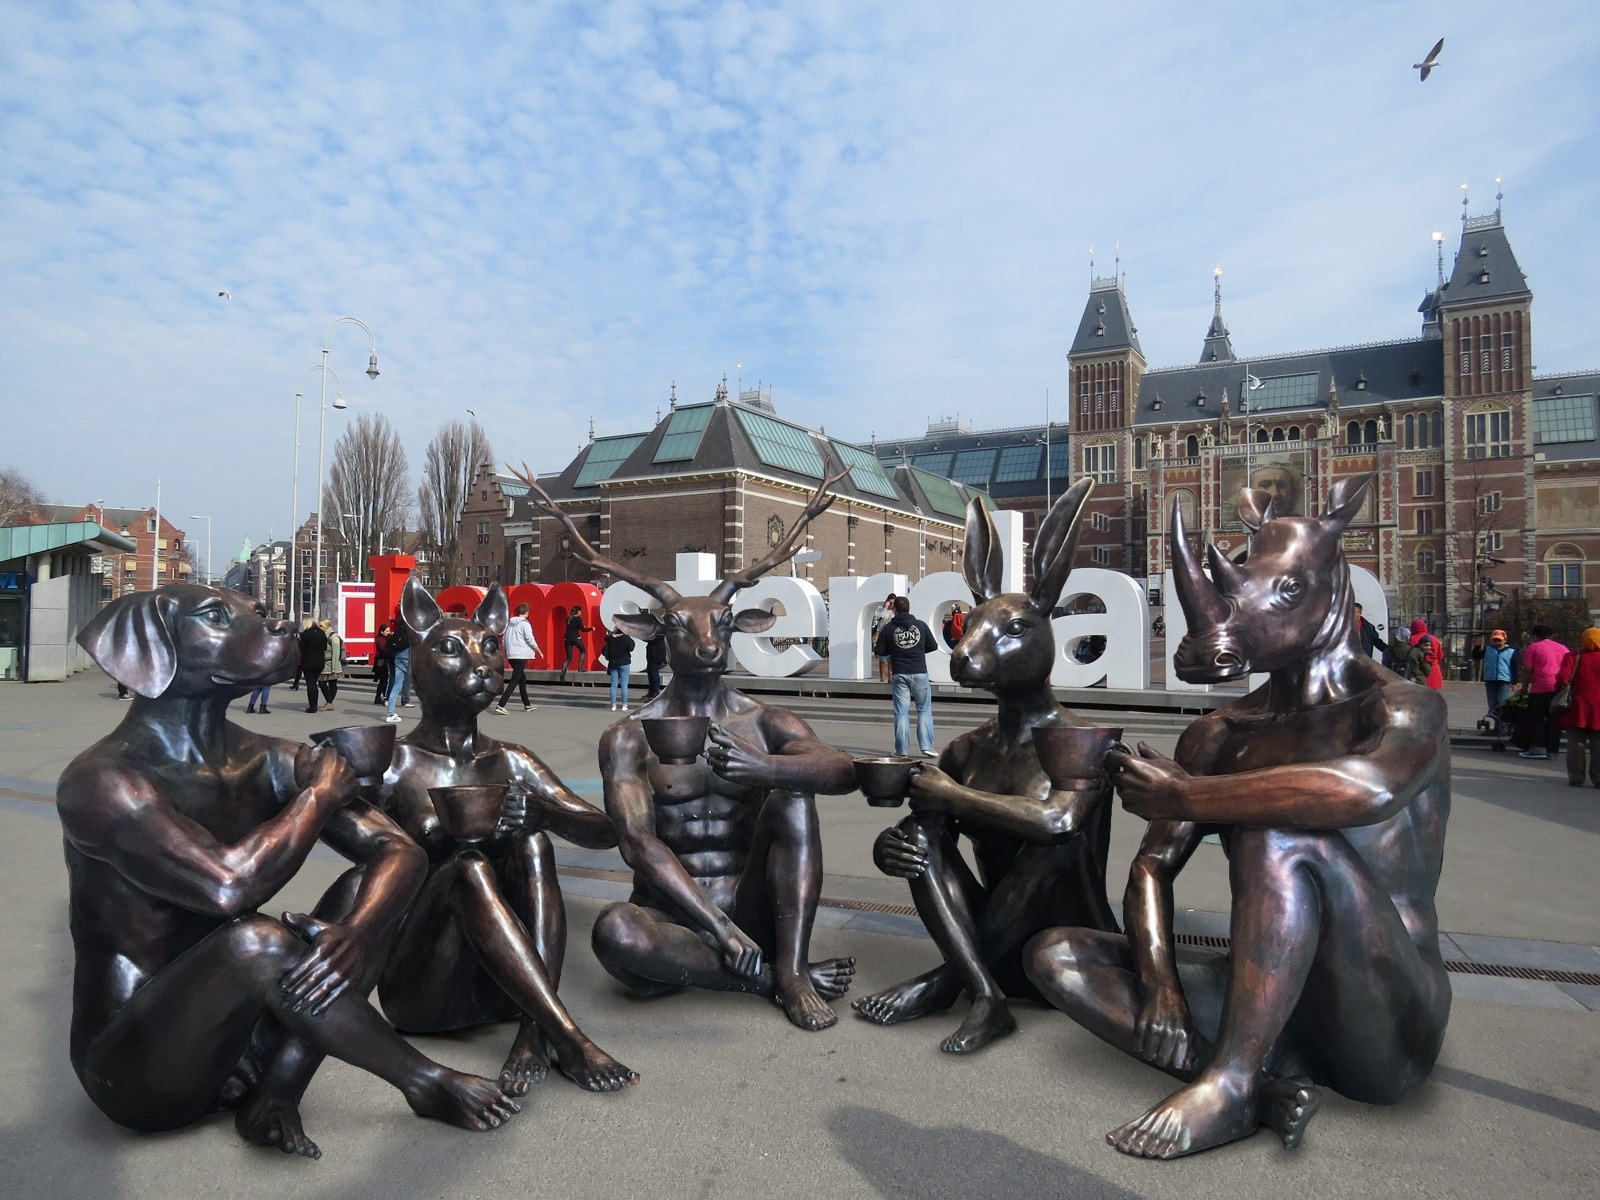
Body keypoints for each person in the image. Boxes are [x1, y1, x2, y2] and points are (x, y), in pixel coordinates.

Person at [874, 595, 937, 758]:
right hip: (920, 672)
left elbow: (879, 651)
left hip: (900, 673)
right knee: (924, 709)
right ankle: (927, 746)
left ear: (894, 609)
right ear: (909, 608)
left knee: (901, 712)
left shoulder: (888, 628)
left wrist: (895, 651)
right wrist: (917, 651)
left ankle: (901, 750)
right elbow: (933, 645)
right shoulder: (921, 626)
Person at [1517, 624, 1569, 760]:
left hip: (1540, 687)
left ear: (1535, 636)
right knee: (1554, 720)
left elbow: (1527, 669)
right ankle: (1552, 751)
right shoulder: (1563, 648)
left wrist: (1524, 687)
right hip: (1558, 688)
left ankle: (1538, 748)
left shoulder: (1534, 647)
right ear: (1550, 635)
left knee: (1536, 717)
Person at [1556, 628, 1600, 786]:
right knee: (1598, 744)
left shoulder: (1573, 656)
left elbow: (1563, 679)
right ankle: (1598, 777)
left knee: (1575, 743)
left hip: (1577, 706)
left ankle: (1576, 776)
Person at [495, 602, 541, 714]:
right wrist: (538, 650)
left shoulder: (509, 624)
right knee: (514, 681)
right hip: (521, 655)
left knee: (522, 680)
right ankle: (501, 705)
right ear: (527, 612)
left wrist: (505, 653)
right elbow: (530, 638)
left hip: (512, 655)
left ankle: (527, 705)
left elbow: (504, 640)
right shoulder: (525, 624)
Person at [1472, 629, 1517, 725]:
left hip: (1504, 680)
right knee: (1492, 704)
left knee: (1502, 703)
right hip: (1490, 680)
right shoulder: (1488, 649)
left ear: (1504, 640)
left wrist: (1514, 682)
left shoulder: (1511, 651)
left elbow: (1514, 667)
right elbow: (1476, 657)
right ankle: (1497, 723)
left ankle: (1502, 724)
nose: (1497, 642)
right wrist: (1477, 647)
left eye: (1499, 640)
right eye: (1495, 640)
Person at [383, 612, 414, 724]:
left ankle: (390, 714)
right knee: (419, 686)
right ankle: (426, 714)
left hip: (398, 658)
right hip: (408, 658)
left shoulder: (398, 631)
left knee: (396, 687)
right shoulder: (411, 631)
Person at [297, 616, 329, 714]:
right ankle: (314, 704)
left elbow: (302, 648)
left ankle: (313, 706)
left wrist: (299, 641)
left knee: (310, 684)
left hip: (308, 661)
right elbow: (325, 647)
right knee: (314, 682)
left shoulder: (306, 634)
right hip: (320, 661)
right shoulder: (321, 632)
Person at [603, 622, 635, 712]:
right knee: (624, 685)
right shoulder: (626, 638)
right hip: (624, 662)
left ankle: (613, 705)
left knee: (613, 685)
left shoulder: (610, 639)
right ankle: (624, 705)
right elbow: (631, 648)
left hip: (613, 663)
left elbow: (606, 650)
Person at [1406, 618, 1444, 690]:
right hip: (1433, 673)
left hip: (1418, 674)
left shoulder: (1411, 639)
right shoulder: (1434, 639)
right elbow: (1440, 656)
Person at [557, 609, 593, 682]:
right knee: (583, 650)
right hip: (575, 638)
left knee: (569, 657)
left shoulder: (568, 618)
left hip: (567, 639)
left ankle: (563, 672)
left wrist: (580, 626)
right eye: (581, 611)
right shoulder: (578, 619)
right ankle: (580, 668)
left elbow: (572, 627)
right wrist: (591, 628)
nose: (581, 613)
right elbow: (583, 629)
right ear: (578, 611)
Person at [317, 619, 343, 711]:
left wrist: (334, 668)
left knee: (332, 683)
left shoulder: (334, 637)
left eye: (321, 626)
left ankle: (329, 702)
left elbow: (336, 652)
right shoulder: (323, 635)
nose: (319, 628)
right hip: (324, 664)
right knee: (322, 683)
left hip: (332, 664)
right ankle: (329, 702)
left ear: (326, 626)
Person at [872, 594, 897, 683]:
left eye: (893, 603)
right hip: (882, 636)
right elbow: (879, 619)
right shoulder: (883, 610)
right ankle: (882, 677)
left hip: (892, 636)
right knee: (882, 658)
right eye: (890, 603)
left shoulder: (895, 612)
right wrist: (885, 608)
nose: (891, 605)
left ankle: (890, 676)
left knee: (891, 658)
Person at [371, 621, 394, 705]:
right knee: (383, 680)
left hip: (383, 661)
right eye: (387, 631)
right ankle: (381, 696)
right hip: (381, 661)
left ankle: (379, 697)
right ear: (382, 632)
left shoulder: (385, 638)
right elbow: (384, 651)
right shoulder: (380, 639)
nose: (388, 632)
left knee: (383, 680)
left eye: (389, 631)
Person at [643, 630, 667, 699]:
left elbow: (652, 638)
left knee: (654, 673)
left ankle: (656, 692)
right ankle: (651, 692)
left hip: (656, 656)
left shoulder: (660, 633)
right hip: (652, 655)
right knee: (650, 673)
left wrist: (644, 637)